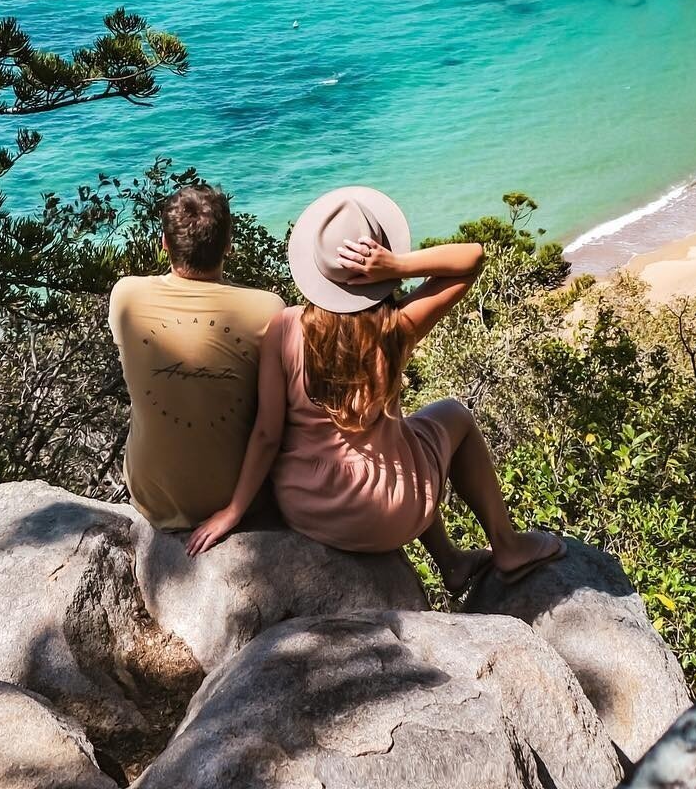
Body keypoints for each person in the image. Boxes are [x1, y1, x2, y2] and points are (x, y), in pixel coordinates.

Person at [186, 185, 563, 593]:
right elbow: (472, 259)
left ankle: (452, 562)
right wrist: (397, 266)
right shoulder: (396, 328)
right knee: (452, 417)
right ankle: (505, 545)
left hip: (309, 508)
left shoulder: (284, 327)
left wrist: (234, 510)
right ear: (377, 261)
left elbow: (266, 434)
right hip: (391, 512)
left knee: (407, 440)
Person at [108, 182, 285, 530]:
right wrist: (234, 511)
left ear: (164, 244)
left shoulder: (125, 295)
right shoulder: (268, 310)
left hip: (151, 497)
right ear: (229, 246)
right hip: (237, 498)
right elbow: (268, 432)